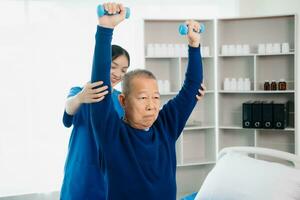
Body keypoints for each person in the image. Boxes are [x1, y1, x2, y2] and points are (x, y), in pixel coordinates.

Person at [90, 2, 204, 200]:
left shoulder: (165, 126)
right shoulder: (112, 133)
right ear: (123, 101)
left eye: (156, 97)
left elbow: (192, 85)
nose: (152, 105)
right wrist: (105, 28)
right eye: (143, 98)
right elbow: (100, 86)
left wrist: (194, 45)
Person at [60, 45, 130, 200]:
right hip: (81, 168)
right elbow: (68, 112)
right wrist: (80, 97)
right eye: (113, 67)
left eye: (124, 70)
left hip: (110, 170)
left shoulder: (122, 99)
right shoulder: (80, 91)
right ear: (101, 64)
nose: (118, 74)